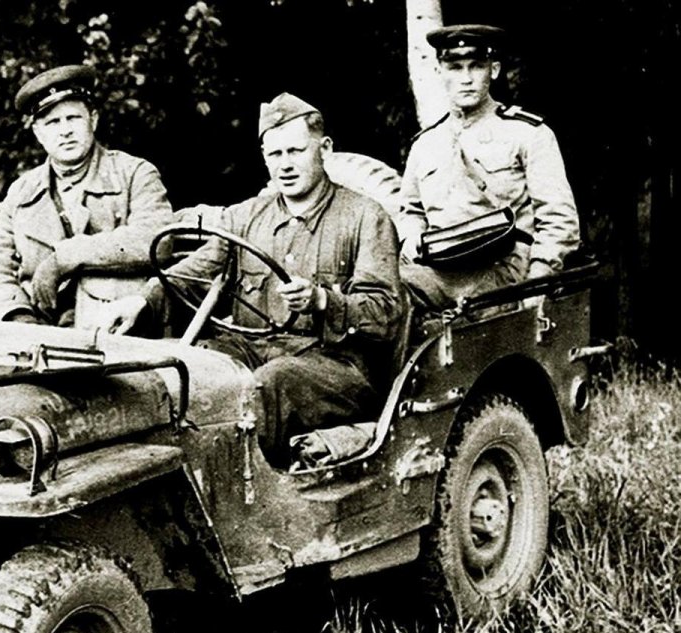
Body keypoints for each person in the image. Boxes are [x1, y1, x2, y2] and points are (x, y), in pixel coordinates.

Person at [106, 94, 404, 461]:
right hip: (252, 350)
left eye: (296, 151)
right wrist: (142, 300)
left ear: (324, 149)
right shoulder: (245, 216)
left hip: (337, 367)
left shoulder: (365, 217)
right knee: (193, 367)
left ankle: (237, 494)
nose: (285, 165)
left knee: (270, 384)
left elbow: (386, 313)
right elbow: (197, 274)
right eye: (275, 155)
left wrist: (323, 300)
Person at [0, 64, 173, 330]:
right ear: (38, 133)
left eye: (73, 118)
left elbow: (157, 241)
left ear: (93, 120)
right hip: (39, 335)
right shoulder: (21, 192)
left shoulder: (134, 173)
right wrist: (17, 317)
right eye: (53, 122)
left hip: (118, 335)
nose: (65, 130)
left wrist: (64, 258)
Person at [398, 24, 580, 306]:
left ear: (493, 71)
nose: (466, 79)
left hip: (504, 273)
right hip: (439, 270)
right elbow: (410, 211)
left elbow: (559, 220)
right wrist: (412, 240)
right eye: (455, 68)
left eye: (476, 67)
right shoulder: (425, 144)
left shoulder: (528, 134)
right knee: (384, 296)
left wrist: (539, 281)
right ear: (439, 73)